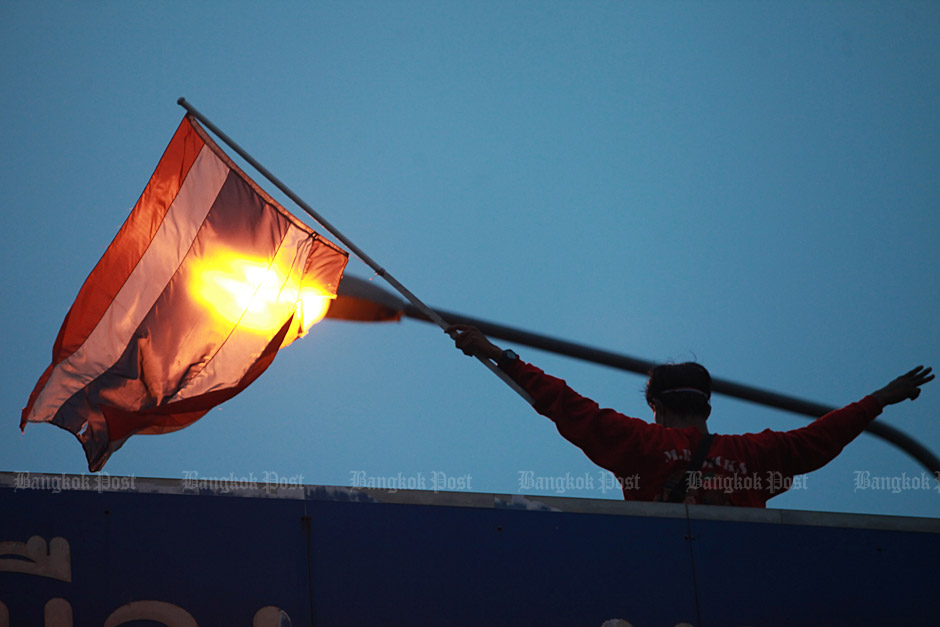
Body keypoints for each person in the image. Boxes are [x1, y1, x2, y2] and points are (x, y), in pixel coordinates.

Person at [448, 324, 934, 507]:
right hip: (742, 587)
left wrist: (500, 356)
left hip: (660, 583)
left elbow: (564, 404)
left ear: (656, 408)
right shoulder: (755, 452)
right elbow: (818, 439)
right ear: (706, 405)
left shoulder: (638, 443)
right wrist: (878, 401)